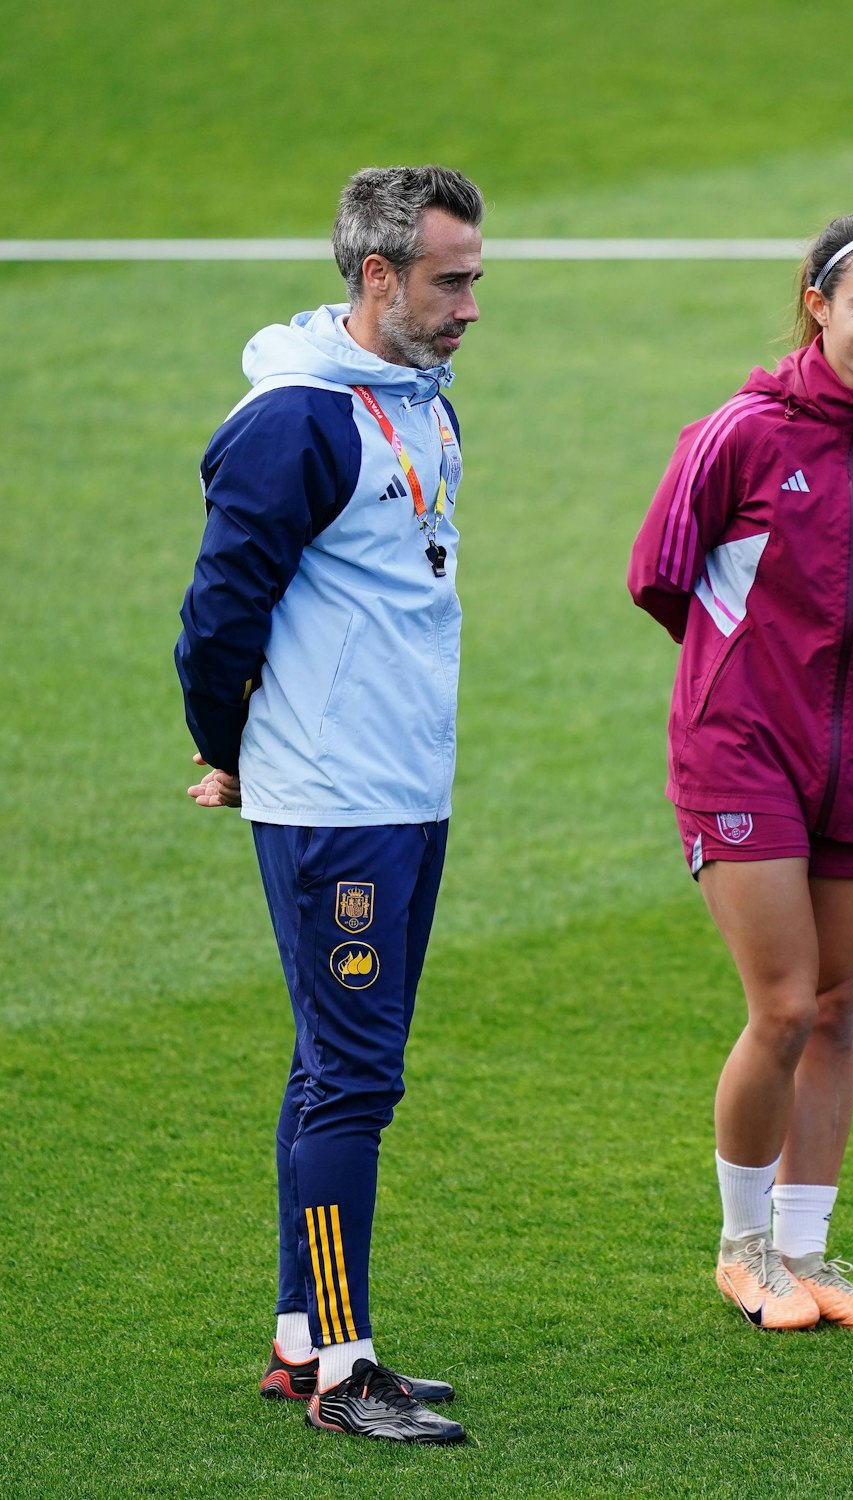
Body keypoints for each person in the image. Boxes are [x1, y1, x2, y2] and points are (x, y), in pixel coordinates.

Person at [176, 166, 485, 1441]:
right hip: (335, 798)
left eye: (476, 275)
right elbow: (214, 620)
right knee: (354, 1080)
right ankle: (344, 1375)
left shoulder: (419, 401)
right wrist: (231, 750)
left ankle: (305, 1336)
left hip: (402, 787)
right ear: (376, 277)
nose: (472, 302)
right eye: (449, 279)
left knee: (334, 1070)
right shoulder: (296, 421)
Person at [629, 212, 853, 1332]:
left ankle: (810, 1253)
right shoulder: (736, 435)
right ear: (816, 306)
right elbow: (661, 578)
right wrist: (747, 687)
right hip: (743, 757)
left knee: (836, 1005)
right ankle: (741, 1250)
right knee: (779, 1006)